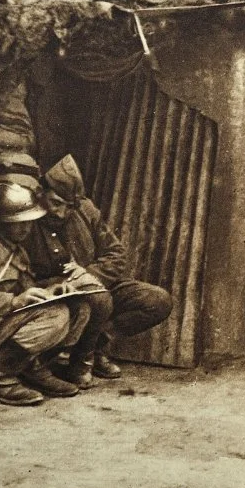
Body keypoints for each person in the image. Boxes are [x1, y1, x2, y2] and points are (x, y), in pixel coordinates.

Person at [26, 154, 173, 386]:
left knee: (157, 300)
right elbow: (22, 273)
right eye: (55, 203)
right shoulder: (28, 218)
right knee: (98, 298)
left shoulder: (86, 210)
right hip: (55, 296)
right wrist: (61, 283)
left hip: (95, 285)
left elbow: (116, 253)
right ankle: (77, 364)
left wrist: (88, 274)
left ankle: (95, 348)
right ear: (41, 193)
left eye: (69, 207)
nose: (61, 213)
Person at [0, 182, 89, 405]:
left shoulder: (14, 246)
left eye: (29, 221)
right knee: (55, 317)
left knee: (80, 308)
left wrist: (52, 289)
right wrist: (13, 301)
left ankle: (30, 367)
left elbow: (24, 291)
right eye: (19, 222)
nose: (26, 228)